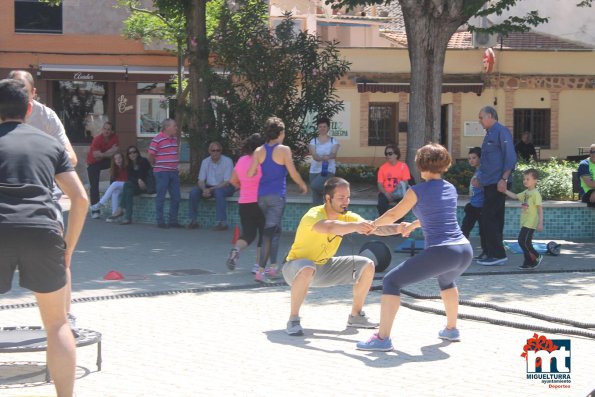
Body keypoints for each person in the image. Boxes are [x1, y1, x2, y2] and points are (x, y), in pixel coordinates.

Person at [0, 78, 88, 397]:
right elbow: (80, 199)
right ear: (28, 108)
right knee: (57, 324)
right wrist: (67, 251)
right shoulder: (50, 144)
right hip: (42, 230)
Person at [357, 143, 473, 352]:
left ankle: (382, 339)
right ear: (445, 165)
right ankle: (451, 329)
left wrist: (373, 225)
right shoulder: (450, 188)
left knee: (391, 281)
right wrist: (413, 225)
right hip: (464, 250)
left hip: (443, 251)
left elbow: (394, 214)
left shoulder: (416, 190)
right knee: (447, 280)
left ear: (420, 166)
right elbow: (438, 214)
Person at [282, 177, 403, 336]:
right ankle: (293, 319)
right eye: (341, 198)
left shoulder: (347, 216)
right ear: (327, 198)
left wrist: (399, 228)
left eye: (348, 197)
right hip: (294, 269)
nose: (346, 201)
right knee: (307, 268)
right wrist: (355, 226)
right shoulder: (313, 214)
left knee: (367, 265)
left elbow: (373, 228)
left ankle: (356, 316)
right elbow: (329, 227)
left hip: (324, 267)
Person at [8, 70, 79, 329]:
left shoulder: (46, 117)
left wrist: (41, 157)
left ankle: (65, 316)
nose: (16, 95)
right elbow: (81, 199)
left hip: (43, 196)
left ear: (33, 95)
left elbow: (71, 158)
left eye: (23, 91)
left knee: (60, 256)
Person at [248, 116, 308, 283]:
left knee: (275, 231)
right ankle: (261, 270)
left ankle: (273, 267)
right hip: (277, 197)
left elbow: (251, 172)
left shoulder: (259, 151)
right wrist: (302, 184)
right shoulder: (284, 150)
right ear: (280, 133)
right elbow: (293, 172)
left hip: (261, 196)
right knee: (269, 233)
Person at [475, 106, 517, 266]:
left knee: (489, 217)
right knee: (493, 218)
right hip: (489, 182)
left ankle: (498, 254)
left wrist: (504, 179)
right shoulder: (489, 134)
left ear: (490, 116)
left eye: (481, 117)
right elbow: (488, 161)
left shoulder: (501, 131)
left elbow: (510, 157)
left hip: (498, 182)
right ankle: (489, 252)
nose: (479, 121)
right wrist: (481, 179)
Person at [226, 133, 265, 271]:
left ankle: (236, 249)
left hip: (244, 202)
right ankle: (258, 265)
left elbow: (232, 180)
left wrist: (243, 186)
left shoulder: (241, 160)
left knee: (248, 234)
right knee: (264, 234)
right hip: (261, 202)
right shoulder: (263, 161)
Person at [187, 141, 236, 231]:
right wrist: (204, 189)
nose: (215, 152)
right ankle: (193, 221)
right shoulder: (205, 162)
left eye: (218, 150)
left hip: (226, 187)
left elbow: (226, 182)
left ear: (221, 151)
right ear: (209, 151)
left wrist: (210, 190)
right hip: (209, 187)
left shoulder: (227, 161)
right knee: (194, 192)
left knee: (218, 192)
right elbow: (201, 180)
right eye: (213, 150)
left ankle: (222, 223)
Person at [503, 168, 544, 269]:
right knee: (526, 242)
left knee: (522, 241)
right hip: (525, 222)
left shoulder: (535, 193)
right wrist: (504, 190)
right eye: (524, 179)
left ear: (535, 180)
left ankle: (536, 256)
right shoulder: (526, 192)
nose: (525, 181)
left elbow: (540, 209)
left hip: (530, 222)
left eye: (528, 179)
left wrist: (540, 223)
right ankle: (528, 262)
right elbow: (515, 196)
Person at [147, 118, 181, 229]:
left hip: (173, 172)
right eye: (174, 126)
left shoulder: (174, 139)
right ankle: (160, 221)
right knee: (161, 196)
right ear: (167, 127)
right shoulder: (157, 139)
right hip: (162, 172)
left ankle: (173, 221)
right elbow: (151, 155)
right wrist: (156, 165)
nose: (176, 128)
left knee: (176, 196)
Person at [86, 121, 119, 219]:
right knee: (94, 186)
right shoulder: (97, 139)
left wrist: (103, 154)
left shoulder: (114, 137)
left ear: (111, 131)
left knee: (116, 161)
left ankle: (114, 184)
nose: (107, 131)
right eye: (105, 129)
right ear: (102, 129)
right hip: (93, 163)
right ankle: (95, 211)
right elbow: (96, 155)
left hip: (105, 161)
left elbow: (115, 151)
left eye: (109, 129)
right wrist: (107, 153)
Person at [460, 147, 487, 260]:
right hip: (473, 205)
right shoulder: (477, 171)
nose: (471, 160)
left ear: (480, 158)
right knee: (465, 229)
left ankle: (485, 252)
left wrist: (480, 186)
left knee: (483, 231)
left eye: (474, 158)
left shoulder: (483, 172)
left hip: (481, 207)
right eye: (469, 158)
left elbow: (489, 189)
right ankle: (463, 253)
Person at [118, 145, 155, 225]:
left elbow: (145, 175)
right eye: (130, 153)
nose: (132, 154)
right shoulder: (129, 165)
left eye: (134, 152)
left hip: (147, 186)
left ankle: (121, 208)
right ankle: (127, 218)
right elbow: (130, 178)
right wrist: (138, 180)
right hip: (136, 187)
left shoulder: (143, 161)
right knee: (128, 191)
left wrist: (140, 179)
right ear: (128, 155)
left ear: (137, 153)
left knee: (127, 186)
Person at [308, 116, 340, 205]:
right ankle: (317, 216)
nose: (322, 128)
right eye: (320, 127)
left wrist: (328, 157)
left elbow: (333, 154)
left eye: (324, 126)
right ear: (317, 128)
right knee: (316, 196)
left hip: (328, 170)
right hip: (314, 170)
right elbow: (315, 156)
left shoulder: (334, 141)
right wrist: (323, 158)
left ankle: (329, 197)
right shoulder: (313, 141)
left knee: (314, 186)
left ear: (328, 128)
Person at [89, 152, 127, 222]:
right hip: (121, 187)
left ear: (123, 159)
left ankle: (100, 204)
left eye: (119, 158)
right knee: (115, 192)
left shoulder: (127, 167)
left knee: (115, 184)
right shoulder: (115, 169)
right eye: (116, 159)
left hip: (128, 185)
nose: (118, 160)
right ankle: (114, 214)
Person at [377, 144, 411, 216]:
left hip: (399, 193)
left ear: (396, 155)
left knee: (403, 207)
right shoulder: (382, 168)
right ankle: (383, 225)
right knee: (381, 205)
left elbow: (405, 182)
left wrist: (395, 193)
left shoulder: (403, 166)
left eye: (390, 153)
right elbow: (379, 184)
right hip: (386, 193)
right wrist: (386, 194)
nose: (388, 156)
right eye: (386, 154)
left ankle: (397, 225)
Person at [578, 144, 595, 208]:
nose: (594, 154)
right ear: (590, 153)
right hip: (587, 193)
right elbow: (590, 183)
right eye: (593, 152)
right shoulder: (584, 164)